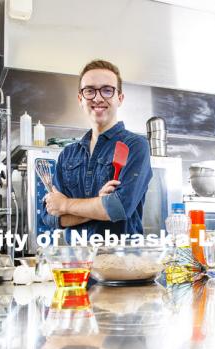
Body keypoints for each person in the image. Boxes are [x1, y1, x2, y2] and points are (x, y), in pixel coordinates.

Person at [41, 59, 152, 241]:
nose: (98, 98)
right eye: (90, 91)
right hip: (76, 264)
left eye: (107, 90)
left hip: (121, 264)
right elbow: (50, 216)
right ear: (80, 99)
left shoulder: (135, 145)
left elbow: (119, 208)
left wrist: (65, 204)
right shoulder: (68, 155)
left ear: (120, 98)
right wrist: (99, 204)